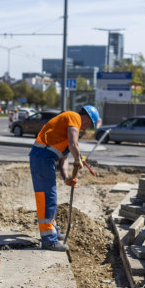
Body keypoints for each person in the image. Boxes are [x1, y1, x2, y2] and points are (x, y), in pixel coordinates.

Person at [29, 105, 100, 252]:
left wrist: (67, 177)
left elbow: (63, 160)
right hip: (41, 157)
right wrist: (78, 158)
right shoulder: (73, 117)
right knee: (47, 197)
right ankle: (49, 240)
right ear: (86, 117)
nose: (86, 128)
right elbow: (74, 144)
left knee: (50, 197)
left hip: (45, 159)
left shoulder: (67, 129)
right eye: (89, 124)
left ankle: (52, 232)